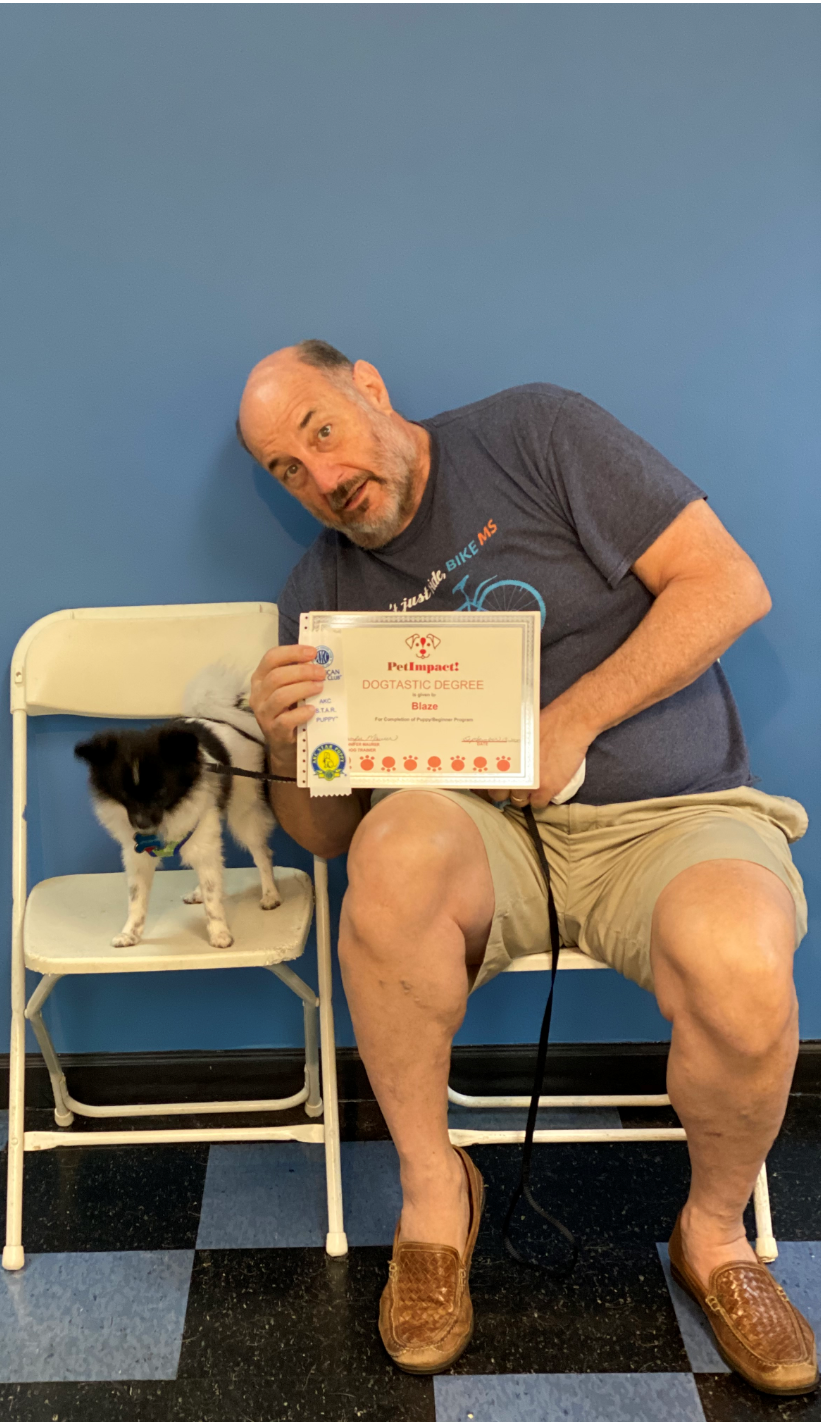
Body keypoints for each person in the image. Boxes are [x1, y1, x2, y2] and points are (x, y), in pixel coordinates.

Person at [237, 339, 815, 1394]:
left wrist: (572, 721)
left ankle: (717, 1239)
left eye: (320, 431)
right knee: (388, 856)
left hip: (671, 816)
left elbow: (728, 584)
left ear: (368, 386)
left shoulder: (536, 432)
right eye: (286, 470)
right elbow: (321, 842)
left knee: (742, 967)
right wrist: (283, 745)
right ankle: (433, 1199)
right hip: (479, 841)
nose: (321, 479)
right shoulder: (318, 595)